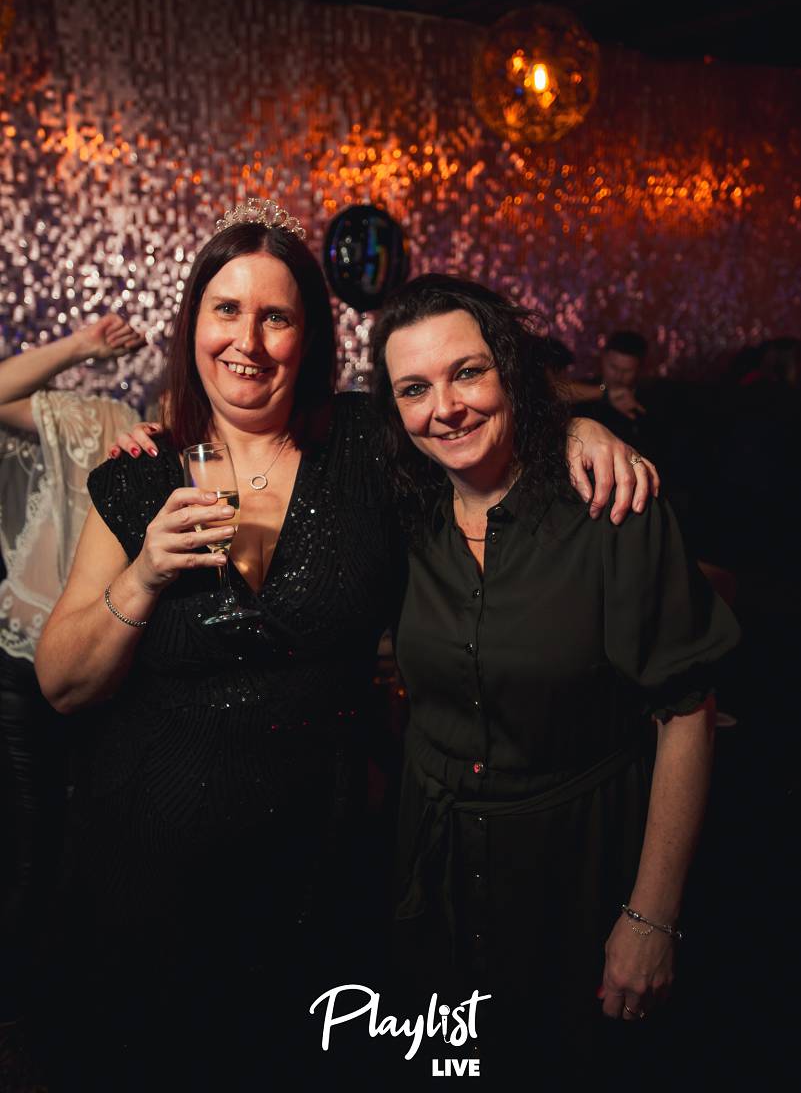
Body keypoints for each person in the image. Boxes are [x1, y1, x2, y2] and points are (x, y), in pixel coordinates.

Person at [36, 201, 655, 1089]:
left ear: (311, 337)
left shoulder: (367, 446)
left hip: (313, 869)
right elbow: (62, 685)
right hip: (142, 862)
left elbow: (472, 419)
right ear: (193, 324)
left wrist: (579, 430)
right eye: (225, 309)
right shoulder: (139, 475)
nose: (247, 340)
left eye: (276, 316)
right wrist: (143, 574)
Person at [370, 275, 739, 1080]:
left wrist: (650, 916)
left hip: (575, 873)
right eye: (414, 388)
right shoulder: (403, 511)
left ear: (509, 369)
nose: (445, 408)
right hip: (432, 875)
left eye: (468, 372)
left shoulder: (610, 506)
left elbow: (686, 710)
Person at [0, 314, 143, 1086]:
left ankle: (61, 1010)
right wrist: (82, 348)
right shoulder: (103, 422)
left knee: (85, 845)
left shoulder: (207, 461)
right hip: (25, 665)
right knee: (32, 846)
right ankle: (16, 1023)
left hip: (108, 669)